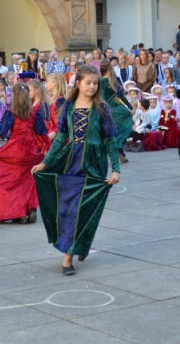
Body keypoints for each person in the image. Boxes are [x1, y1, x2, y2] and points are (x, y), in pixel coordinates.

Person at [32, 65, 120, 276]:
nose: (92, 86)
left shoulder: (102, 109)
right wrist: (46, 162)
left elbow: (110, 140)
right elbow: (61, 137)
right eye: (87, 82)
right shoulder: (69, 107)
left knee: (87, 208)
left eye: (95, 83)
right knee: (70, 208)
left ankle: (76, 248)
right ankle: (69, 254)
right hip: (71, 161)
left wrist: (115, 169)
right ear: (78, 83)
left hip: (94, 163)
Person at [0, 84, 48, 224]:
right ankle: (30, 208)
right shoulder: (34, 113)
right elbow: (43, 133)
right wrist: (49, 150)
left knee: (10, 182)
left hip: (14, 150)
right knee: (29, 181)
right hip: (31, 151)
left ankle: (18, 213)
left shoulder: (11, 112)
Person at [98, 61, 133, 163]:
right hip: (114, 108)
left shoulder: (104, 80)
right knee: (123, 126)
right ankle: (119, 148)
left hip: (108, 108)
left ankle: (118, 148)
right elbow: (121, 95)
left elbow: (120, 95)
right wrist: (130, 107)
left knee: (115, 130)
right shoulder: (110, 80)